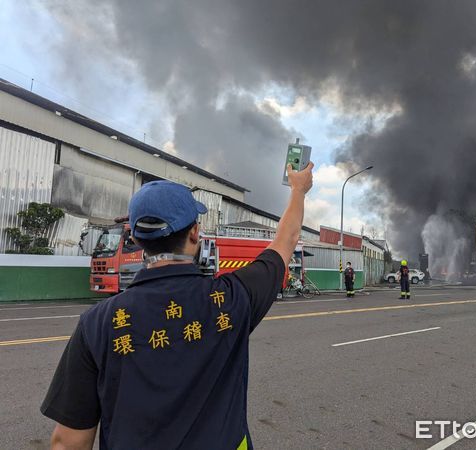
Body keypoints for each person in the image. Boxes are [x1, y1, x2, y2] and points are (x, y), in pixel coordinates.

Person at [40, 162, 314, 450]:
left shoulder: (97, 323)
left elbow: (67, 442)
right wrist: (298, 189)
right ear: (195, 233)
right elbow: (286, 240)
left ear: (134, 237)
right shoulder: (232, 298)